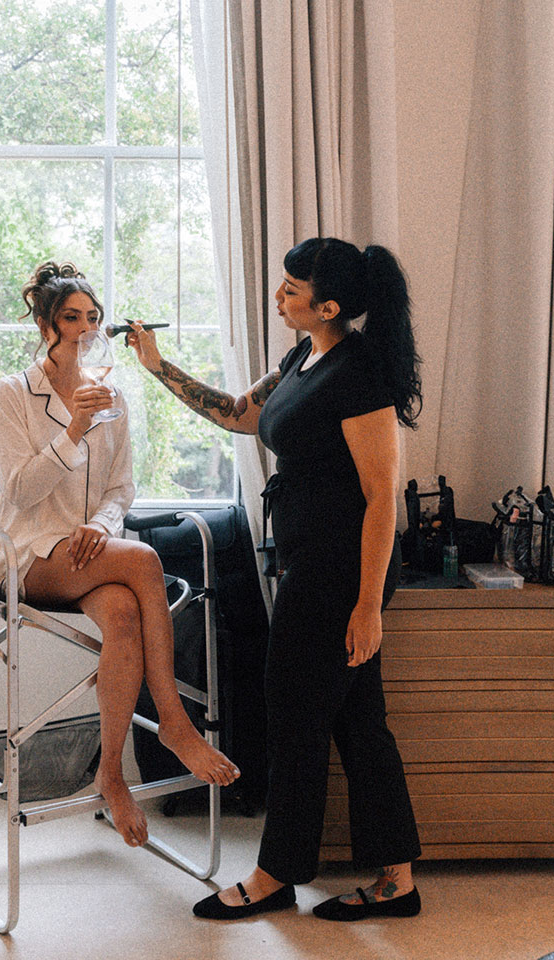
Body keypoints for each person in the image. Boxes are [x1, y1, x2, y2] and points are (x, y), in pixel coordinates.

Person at [126, 237, 425, 922]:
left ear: (329, 305)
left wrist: (368, 606)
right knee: (358, 724)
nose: (279, 297)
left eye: (291, 290)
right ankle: (397, 881)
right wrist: (157, 365)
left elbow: (384, 495)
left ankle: (274, 876)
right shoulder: (303, 357)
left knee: (294, 716)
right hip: (312, 563)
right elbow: (238, 412)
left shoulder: (357, 375)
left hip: (341, 573)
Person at [0, 260, 238, 848]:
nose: (84, 327)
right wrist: (72, 427)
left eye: (93, 317)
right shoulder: (10, 394)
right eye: (71, 317)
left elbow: (122, 488)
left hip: (89, 556)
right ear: (46, 325)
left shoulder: (112, 395)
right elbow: (19, 491)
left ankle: (111, 775)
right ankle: (174, 721)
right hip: (27, 556)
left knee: (124, 614)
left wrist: (100, 524)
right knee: (145, 562)